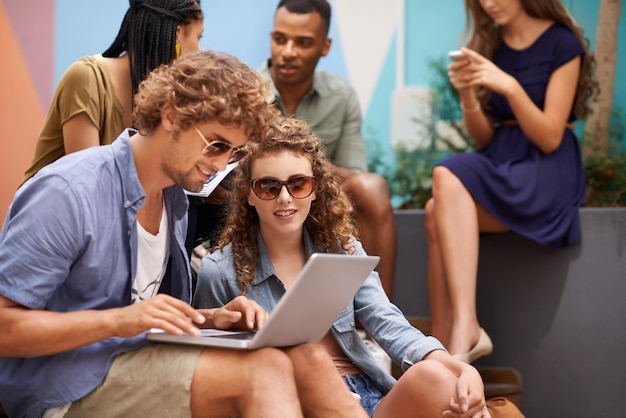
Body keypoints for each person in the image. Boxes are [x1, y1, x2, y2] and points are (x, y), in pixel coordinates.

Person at [0, 50, 366, 418]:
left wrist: (209, 318)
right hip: (63, 385)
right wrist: (120, 319)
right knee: (263, 371)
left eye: (234, 153)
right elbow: (5, 328)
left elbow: (146, 316)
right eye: (217, 145)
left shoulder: (174, 201)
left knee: (305, 355)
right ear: (171, 115)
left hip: (136, 359)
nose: (222, 165)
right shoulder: (68, 191)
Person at [193, 117, 490, 418]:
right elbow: (211, 372)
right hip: (296, 404)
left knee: (438, 378)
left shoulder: (340, 248)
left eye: (298, 184)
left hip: (369, 393)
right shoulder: (219, 271)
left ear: (315, 188)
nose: (284, 198)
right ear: (248, 194)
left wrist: (458, 366)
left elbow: (386, 321)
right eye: (268, 187)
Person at [425, 0, 597, 363]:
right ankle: (441, 349)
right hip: (501, 157)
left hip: (545, 166)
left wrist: (510, 87)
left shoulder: (562, 44)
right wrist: (467, 94)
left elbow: (550, 135)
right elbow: (485, 139)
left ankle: (465, 326)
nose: (489, 3)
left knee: (444, 175)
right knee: (434, 209)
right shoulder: (489, 43)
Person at [21, 0, 205, 184]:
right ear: (177, 35)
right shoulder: (87, 77)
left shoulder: (165, 102)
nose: (199, 51)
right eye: (199, 37)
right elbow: (88, 184)